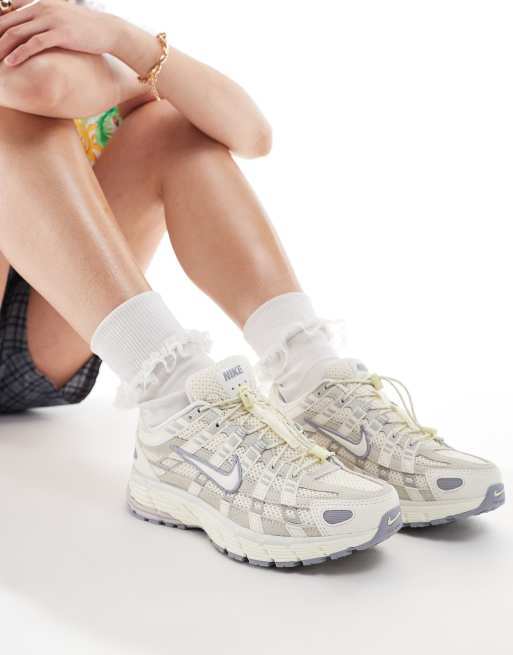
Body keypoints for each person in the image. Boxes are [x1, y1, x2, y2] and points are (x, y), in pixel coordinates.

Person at [0, 0, 504, 567]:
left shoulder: (72, 36)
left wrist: (123, 38)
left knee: (170, 126)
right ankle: (175, 400)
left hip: (44, 337)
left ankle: (309, 376)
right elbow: (41, 85)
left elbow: (251, 133)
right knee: (12, 119)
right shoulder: (54, 55)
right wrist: (118, 72)